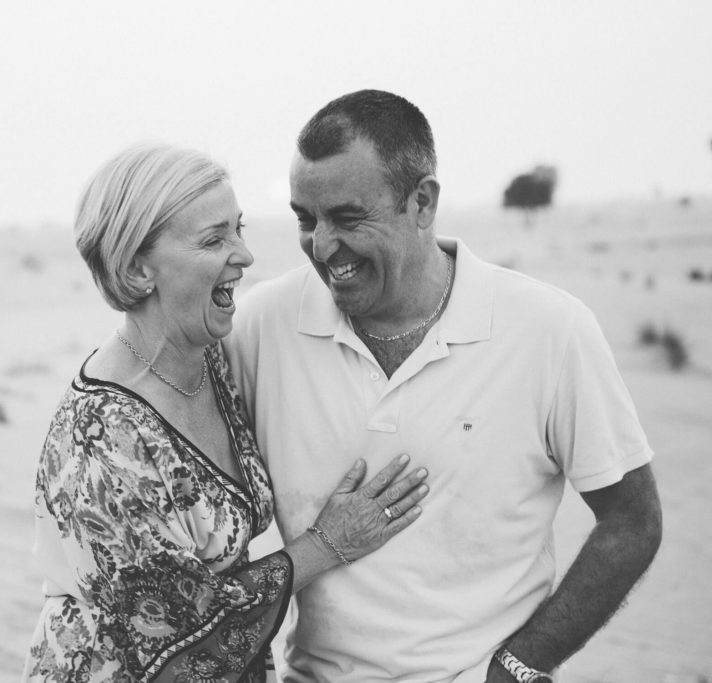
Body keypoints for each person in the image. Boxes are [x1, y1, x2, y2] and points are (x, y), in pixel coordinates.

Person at [225, 90, 663, 683]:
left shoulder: (549, 330)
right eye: (307, 219)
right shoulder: (260, 325)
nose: (322, 247)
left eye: (348, 218)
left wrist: (519, 666)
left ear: (423, 202)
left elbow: (633, 521)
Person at [21, 142, 430, 682]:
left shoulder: (214, 360)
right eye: (214, 239)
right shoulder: (104, 438)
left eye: (238, 229)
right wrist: (328, 543)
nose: (243, 254)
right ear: (139, 268)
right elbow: (178, 647)